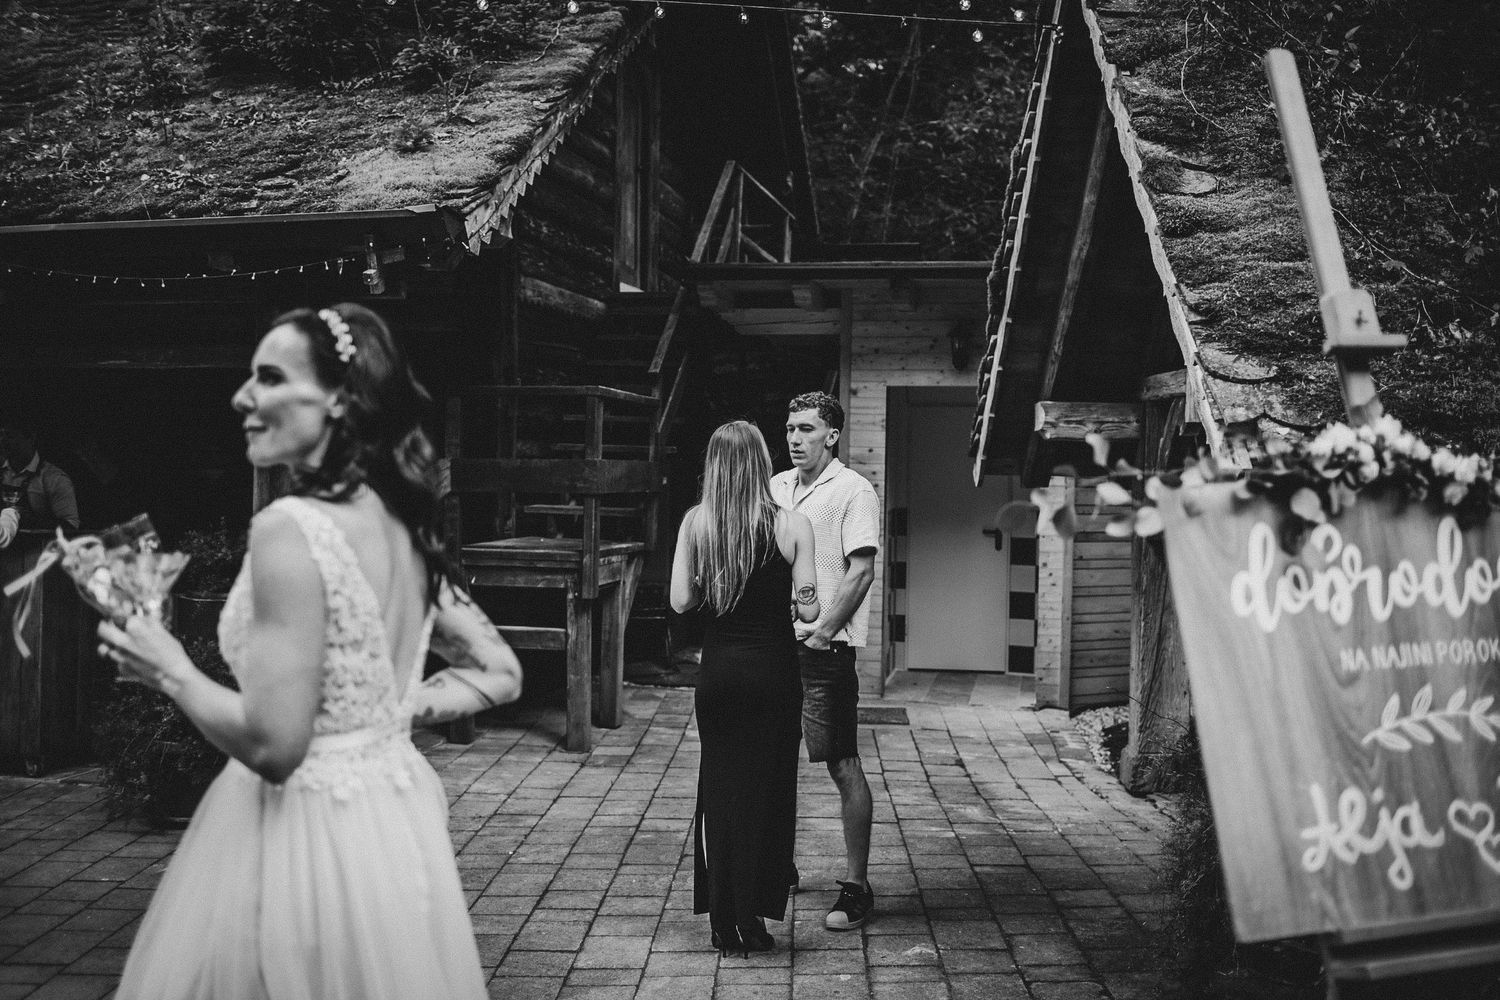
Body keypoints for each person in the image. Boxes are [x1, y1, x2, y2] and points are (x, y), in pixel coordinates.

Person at [96, 303, 523, 1000]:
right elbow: (500, 672)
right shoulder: (404, 526)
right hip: (388, 820)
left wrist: (168, 667)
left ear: (338, 398)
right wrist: (385, 713)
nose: (242, 397)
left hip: (301, 831)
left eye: (269, 377)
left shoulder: (290, 529)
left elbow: (275, 747)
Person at [670, 420, 819, 956]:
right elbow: (809, 609)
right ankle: (754, 917)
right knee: (770, 793)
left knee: (719, 792)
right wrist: (798, 593)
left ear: (714, 466)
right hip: (774, 677)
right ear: (762, 463)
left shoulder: (697, 523)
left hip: (720, 678)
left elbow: (681, 601)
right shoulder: (792, 524)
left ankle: (723, 920)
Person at [771, 391, 880, 931]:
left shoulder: (854, 490)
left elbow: (862, 571)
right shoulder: (775, 488)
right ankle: (778, 866)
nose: (795, 438)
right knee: (772, 757)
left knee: (841, 762)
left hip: (824, 650)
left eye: (807, 429)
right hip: (774, 647)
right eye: (791, 428)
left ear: (831, 435)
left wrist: (825, 632)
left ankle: (857, 887)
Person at [0, 418, 80, 548]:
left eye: (10, 436)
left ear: (31, 438)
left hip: (37, 554)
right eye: (1, 435)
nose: (3, 441)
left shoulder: (54, 478)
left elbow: (71, 528)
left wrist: (30, 521)